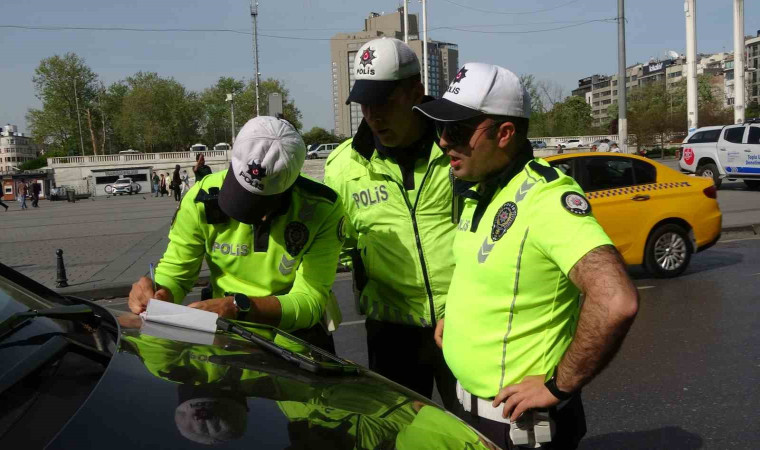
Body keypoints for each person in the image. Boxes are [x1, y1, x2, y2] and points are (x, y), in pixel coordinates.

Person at [415, 63, 639, 449]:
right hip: (469, 409)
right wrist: (459, 319)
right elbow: (492, 278)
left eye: (458, 130)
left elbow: (615, 300)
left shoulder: (545, 199)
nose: (443, 141)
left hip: (516, 426)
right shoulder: (480, 190)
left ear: (504, 134)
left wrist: (560, 384)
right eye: (440, 128)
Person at [128, 116, 345, 350]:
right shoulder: (200, 198)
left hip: (295, 346)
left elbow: (309, 301)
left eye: (260, 204)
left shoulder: (322, 208)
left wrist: (238, 308)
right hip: (225, 339)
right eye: (240, 192)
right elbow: (177, 272)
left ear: (291, 185)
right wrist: (158, 293)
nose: (253, 216)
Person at [324, 37, 457, 409]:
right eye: (365, 103)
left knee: (479, 435)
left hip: (466, 322)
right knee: (400, 437)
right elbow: (339, 248)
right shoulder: (342, 168)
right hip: (392, 336)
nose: (373, 114)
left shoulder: (459, 147)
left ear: (416, 90)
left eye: (384, 101)